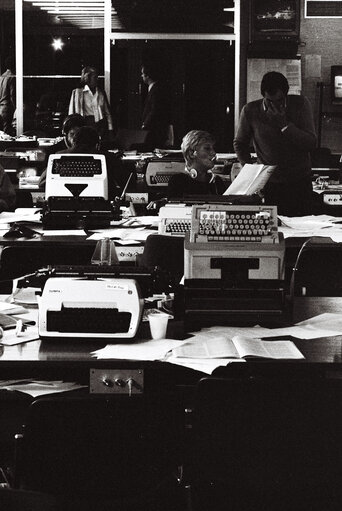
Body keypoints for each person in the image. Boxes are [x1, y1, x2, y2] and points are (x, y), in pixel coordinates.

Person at [233, 71, 317, 216]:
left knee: (303, 226)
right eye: (269, 101)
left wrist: (284, 125)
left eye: (279, 100)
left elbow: (311, 143)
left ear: (286, 94)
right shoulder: (251, 110)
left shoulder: (300, 104)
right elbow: (240, 143)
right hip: (270, 184)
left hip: (299, 181)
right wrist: (251, 170)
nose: (274, 105)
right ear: (263, 95)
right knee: (273, 228)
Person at [167, 130, 226, 198]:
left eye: (213, 148)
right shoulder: (178, 181)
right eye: (207, 148)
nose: (213, 153)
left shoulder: (216, 182)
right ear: (191, 153)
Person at [68, 66, 114, 146]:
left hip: (99, 126)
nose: (97, 79)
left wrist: (110, 130)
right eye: (95, 77)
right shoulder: (78, 93)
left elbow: (107, 113)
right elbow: (71, 114)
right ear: (87, 78)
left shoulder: (100, 92)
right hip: (84, 125)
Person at [141, 61, 174, 150]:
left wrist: (145, 124)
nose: (141, 76)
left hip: (155, 129)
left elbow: (154, 109)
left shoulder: (156, 90)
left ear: (148, 75)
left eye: (143, 74)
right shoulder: (153, 89)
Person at [0, 56, 16, 136]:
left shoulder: (2, 76)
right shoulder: (11, 76)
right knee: (7, 132)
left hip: (1, 107)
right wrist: (16, 108)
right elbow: (12, 94)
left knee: (4, 130)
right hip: (7, 107)